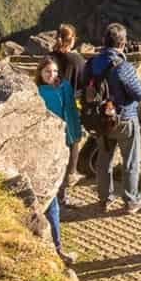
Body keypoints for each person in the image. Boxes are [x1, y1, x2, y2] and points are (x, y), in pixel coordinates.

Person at [85, 23, 141, 214]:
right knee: (131, 161)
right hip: (124, 119)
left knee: (104, 160)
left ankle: (104, 199)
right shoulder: (124, 66)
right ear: (123, 43)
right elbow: (139, 94)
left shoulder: (92, 63)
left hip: (100, 121)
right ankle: (131, 200)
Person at [35, 55, 83, 265]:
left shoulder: (63, 86)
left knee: (64, 175)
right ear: (40, 73)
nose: (52, 75)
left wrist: (76, 132)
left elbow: (71, 109)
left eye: (54, 71)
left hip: (67, 136)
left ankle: (55, 247)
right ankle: (55, 248)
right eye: (47, 72)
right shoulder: (38, 92)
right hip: (47, 144)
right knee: (51, 194)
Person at [50, 24, 86, 198]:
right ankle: (64, 188)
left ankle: (52, 188)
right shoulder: (77, 60)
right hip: (71, 110)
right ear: (72, 40)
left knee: (53, 146)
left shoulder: (48, 59)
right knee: (72, 146)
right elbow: (83, 87)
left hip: (49, 108)